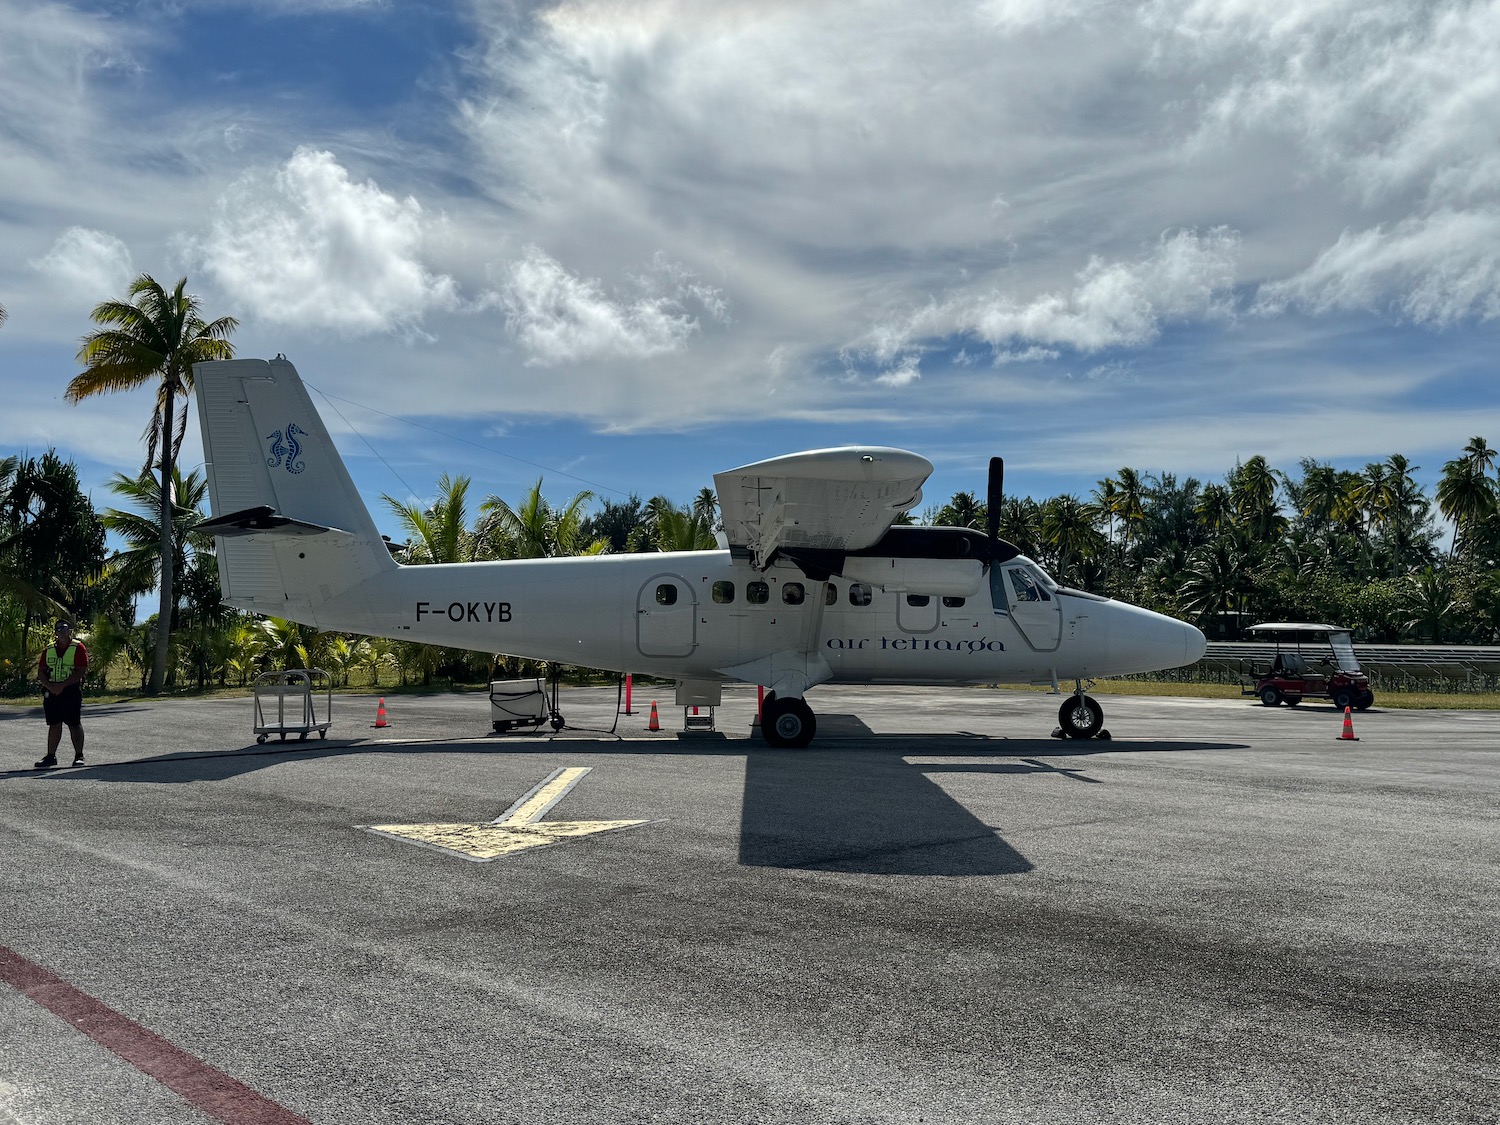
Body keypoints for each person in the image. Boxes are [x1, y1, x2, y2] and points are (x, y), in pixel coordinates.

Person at [36, 620, 88, 769]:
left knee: (74, 723)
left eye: (64, 628)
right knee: (54, 724)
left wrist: (62, 686)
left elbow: (80, 670)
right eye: (58, 629)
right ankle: (50, 756)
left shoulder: (78, 647)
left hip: (70, 690)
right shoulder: (49, 649)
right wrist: (50, 687)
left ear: (69, 630)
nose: (62, 631)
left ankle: (79, 755)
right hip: (51, 691)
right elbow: (41, 671)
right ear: (55, 632)